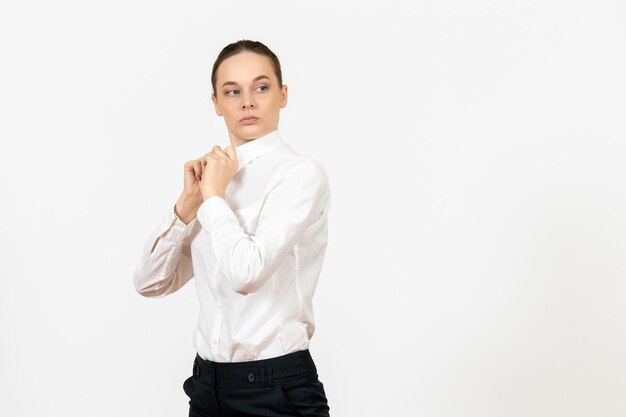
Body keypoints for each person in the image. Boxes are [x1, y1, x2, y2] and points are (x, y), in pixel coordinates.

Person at [133, 39, 332, 417]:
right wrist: (185, 208)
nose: (247, 102)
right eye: (232, 91)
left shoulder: (300, 175)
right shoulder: (214, 182)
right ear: (216, 103)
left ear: (282, 95)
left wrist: (212, 198)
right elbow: (150, 283)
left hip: (277, 391)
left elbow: (247, 273)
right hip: (207, 388)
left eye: (261, 87)